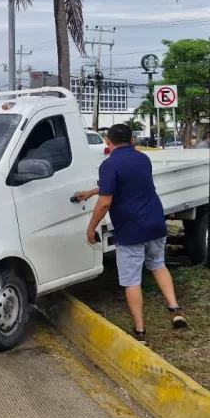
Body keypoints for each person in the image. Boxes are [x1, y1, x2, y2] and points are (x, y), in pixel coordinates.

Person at [75, 123, 186, 344]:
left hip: (130, 228)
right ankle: (175, 309)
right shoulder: (143, 159)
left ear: (108, 142)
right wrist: (92, 192)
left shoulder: (109, 165)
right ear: (133, 140)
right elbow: (126, 183)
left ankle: (140, 331)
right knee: (158, 264)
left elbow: (105, 202)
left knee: (132, 280)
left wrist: (91, 228)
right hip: (155, 222)